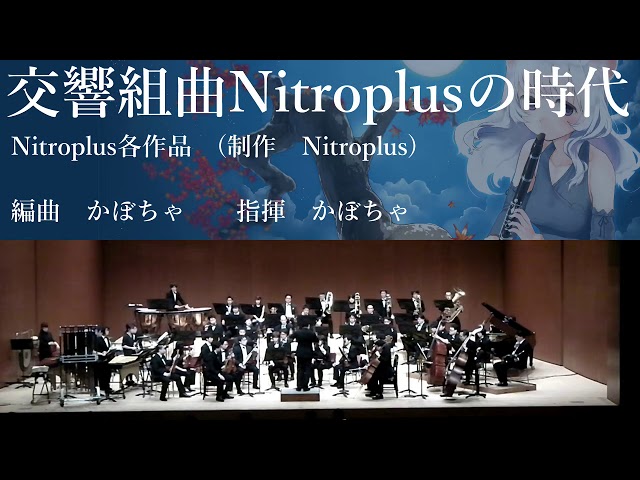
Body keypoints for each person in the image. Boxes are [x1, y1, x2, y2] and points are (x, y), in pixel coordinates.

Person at [455, 60, 640, 240]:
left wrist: (539, 241)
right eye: (531, 102)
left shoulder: (598, 166)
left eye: (565, 107)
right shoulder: (530, 151)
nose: (542, 117)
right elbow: (510, 209)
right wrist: (495, 236)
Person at [288, 321, 319, 391]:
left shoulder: (298, 332)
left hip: (300, 353)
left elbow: (290, 337)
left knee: (299, 369)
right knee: (307, 370)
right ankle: (305, 386)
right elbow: (316, 340)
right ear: (308, 326)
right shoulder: (311, 333)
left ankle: (299, 386)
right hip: (308, 353)